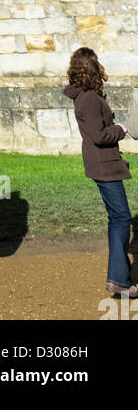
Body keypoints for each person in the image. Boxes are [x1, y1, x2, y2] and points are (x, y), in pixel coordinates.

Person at [64, 47, 136, 296]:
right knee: (122, 217)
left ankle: (119, 275)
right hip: (104, 164)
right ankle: (119, 279)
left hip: (100, 163)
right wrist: (120, 129)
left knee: (117, 217)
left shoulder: (85, 96)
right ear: (92, 69)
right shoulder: (90, 99)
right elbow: (99, 135)